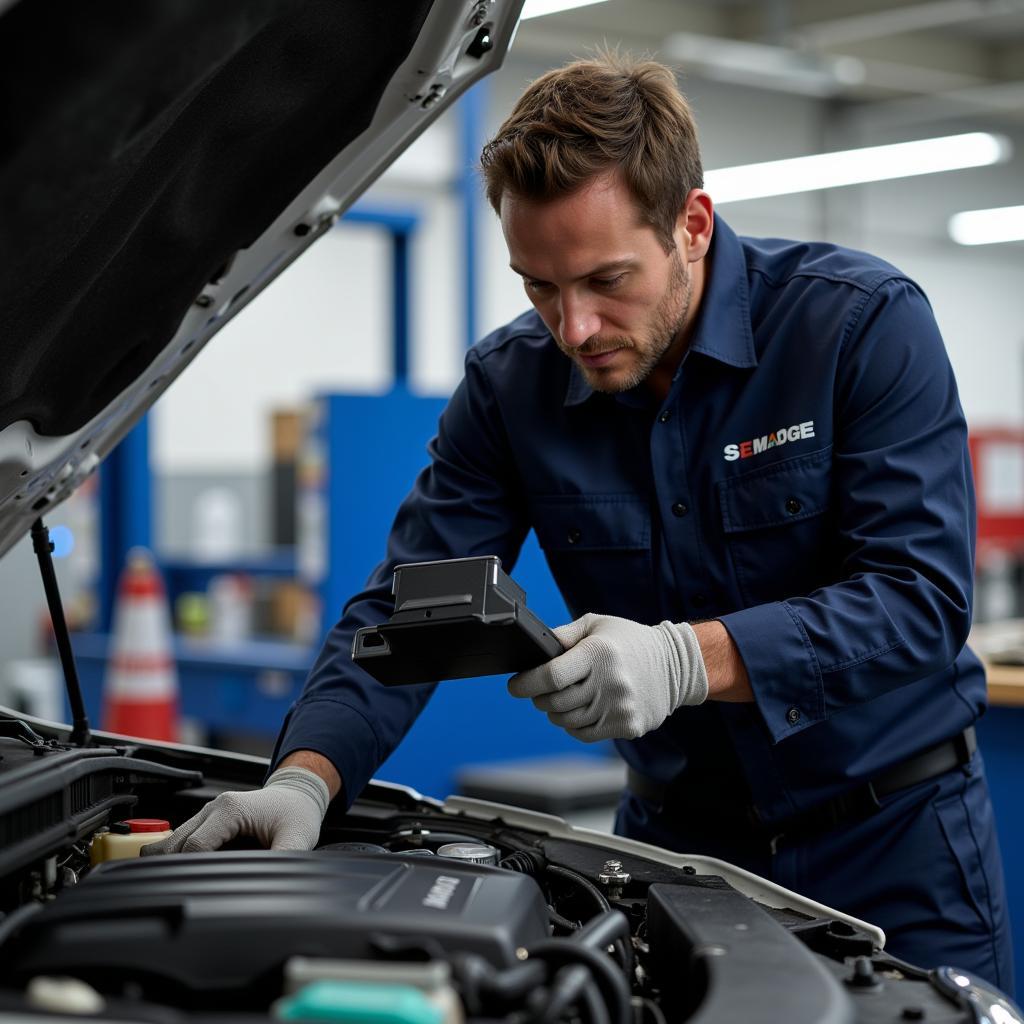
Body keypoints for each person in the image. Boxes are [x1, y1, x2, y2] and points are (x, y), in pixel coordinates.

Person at [144, 53, 1013, 992]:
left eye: (607, 280)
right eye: (539, 288)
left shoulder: (858, 327)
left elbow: (920, 599)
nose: (576, 327)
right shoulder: (509, 389)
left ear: (692, 224)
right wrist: (304, 779)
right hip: (682, 858)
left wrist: (689, 659)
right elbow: (409, 611)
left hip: (894, 844)